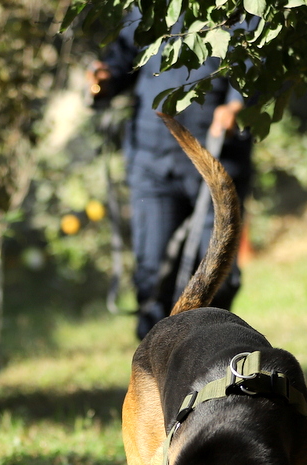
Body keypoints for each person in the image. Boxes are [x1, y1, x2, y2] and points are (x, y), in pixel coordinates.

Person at [88, 10, 253, 339]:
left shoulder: (239, 5)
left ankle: (205, 375)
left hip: (217, 156)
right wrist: (103, 79)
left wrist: (238, 104)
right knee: (152, 279)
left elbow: (258, 59)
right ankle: (155, 379)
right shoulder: (147, 7)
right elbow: (122, 59)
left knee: (217, 276)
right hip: (152, 159)